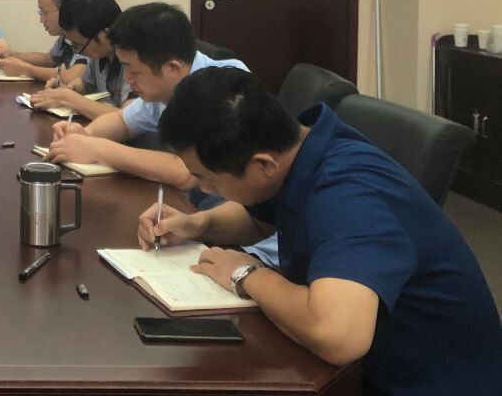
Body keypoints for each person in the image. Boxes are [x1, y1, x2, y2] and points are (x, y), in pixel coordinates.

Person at [140, 67, 502, 395]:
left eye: (206, 178)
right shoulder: (302, 148)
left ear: (262, 164)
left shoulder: (350, 197)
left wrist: (246, 274)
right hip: (362, 370)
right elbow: (260, 218)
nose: (203, 188)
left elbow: (338, 336)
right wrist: (197, 224)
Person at [44, 1, 278, 265]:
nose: (128, 80)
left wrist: (98, 149)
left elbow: (186, 173)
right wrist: (84, 134)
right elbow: (123, 120)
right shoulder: (166, 86)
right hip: (202, 222)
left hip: (251, 241)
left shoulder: (224, 86)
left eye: (134, 71)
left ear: (173, 68)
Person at [24, 0, 130, 122]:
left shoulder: (134, 56)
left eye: (78, 46)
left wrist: (69, 98)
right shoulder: (99, 52)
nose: (78, 52)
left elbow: (129, 118)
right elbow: (86, 84)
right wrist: (68, 88)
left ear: (105, 34)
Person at [0, 0, 87, 84]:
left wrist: (25, 69)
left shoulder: (85, 33)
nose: (41, 20)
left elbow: (71, 76)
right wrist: (11, 55)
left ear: (65, 10)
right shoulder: (65, 35)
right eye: (41, 13)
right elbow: (50, 60)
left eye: (45, 13)